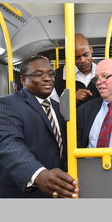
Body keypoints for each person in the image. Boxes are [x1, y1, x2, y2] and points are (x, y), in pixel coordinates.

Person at [0, 56, 79, 198]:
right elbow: (9, 143)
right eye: (38, 74)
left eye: (50, 74)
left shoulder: (57, 107)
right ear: (23, 80)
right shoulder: (8, 104)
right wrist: (37, 174)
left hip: (57, 190)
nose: (48, 78)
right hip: (24, 193)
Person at [50, 33, 100, 106]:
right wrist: (70, 101)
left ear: (91, 49)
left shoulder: (104, 73)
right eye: (76, 58)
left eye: (85, 55)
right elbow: (53, 110)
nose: (82, 60)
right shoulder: (57, 77)